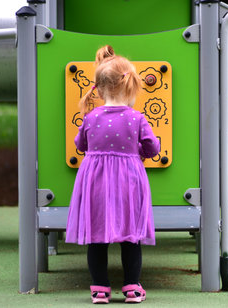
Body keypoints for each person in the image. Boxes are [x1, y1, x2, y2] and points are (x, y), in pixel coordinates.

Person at [66, 45, 160, 304]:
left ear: (99, 88)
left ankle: (99, 288)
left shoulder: (91, 117)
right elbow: (152, 148)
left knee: (96, 238)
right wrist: (138, 149)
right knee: (131, 237)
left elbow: (80, 145)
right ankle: (131, 287)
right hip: (128, 182)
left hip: (95, 181)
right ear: (130, 87)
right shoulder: (136, 118)